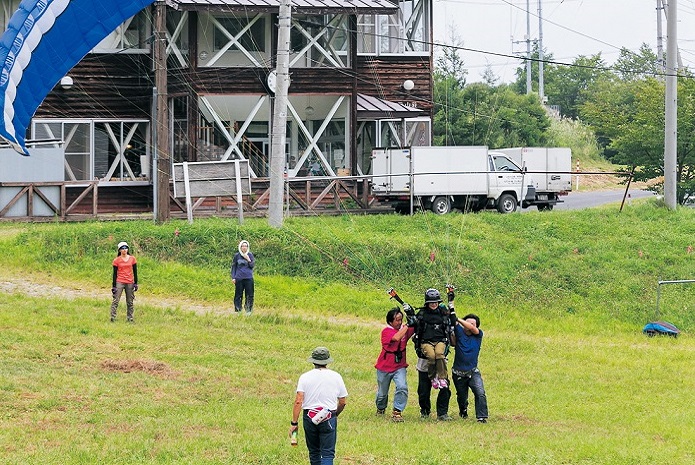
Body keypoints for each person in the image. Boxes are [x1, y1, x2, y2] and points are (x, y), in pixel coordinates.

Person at [291, 347, 348, 465]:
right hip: (328, 417)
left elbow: (298, 401)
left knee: (314, 452)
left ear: (313, 361)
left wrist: (294, 424)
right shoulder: (336, 376)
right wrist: (335, 414)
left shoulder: (305, 377)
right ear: (327, 361)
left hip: (309, 417)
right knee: (327, 453)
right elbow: (343, 402)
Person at [374, 307, 415, 422]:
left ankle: (397, 411)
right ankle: (380, 408)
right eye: (397, 320)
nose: (400, 322)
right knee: (382, 393)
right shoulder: (386, 331)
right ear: (390, 321)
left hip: (399, 366)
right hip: (384, 367)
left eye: (401, 319)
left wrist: (412, 316)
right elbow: (397, 337)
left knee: (402, 387)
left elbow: (415, 326)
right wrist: (407, 325)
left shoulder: (403, 329)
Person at [412, 288, 454, 390]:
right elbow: (413, 322)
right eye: (431, 303)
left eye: (435, 302)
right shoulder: (422, 314)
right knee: (431, 356)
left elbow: (452, 320)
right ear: (427, 303)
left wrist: (451, 303)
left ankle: (442, 377)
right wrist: (409, 312)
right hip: (426, 341)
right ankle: (433, 377)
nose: (433, 304)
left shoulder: (443, 312)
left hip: (440, 340)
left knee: (439, 354)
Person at [452, 313, 489, 423]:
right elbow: (454, 322)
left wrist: (458, 319)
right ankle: (463, 410)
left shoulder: (478, 335)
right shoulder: (459, 332)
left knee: (480, 392)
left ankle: (481, 417)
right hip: (458, 372)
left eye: (472, 324)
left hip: (473, 371)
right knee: (462, 397)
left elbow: (472, 328)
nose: (469, 325)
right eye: (467, 322)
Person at [415, 356, 452, 421]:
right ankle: (425, 412)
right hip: (424, 366)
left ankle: (442, 413)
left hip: (441, 367)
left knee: (444, 389)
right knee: (423, 391)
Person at [110, 241, 138, 323]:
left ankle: (130, 318)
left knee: (130, 301)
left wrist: (135, 283)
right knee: (116, 300)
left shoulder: (132, 259)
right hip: (120, 281)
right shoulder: (116, 260)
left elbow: (135, 271)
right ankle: (113, 317)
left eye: (126, 248)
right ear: (119, 250)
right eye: (122, 248)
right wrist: (114, 286)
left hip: (129, 281)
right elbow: (114, 274)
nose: (124, 250)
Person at [231, 240, 255, 314]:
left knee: (249, 295)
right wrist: (233, 277)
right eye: (243, 246)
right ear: (240, 247)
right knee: (238, 295)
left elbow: (252, 266)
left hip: (248, 278)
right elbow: (234, 267)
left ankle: (248, 311)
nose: (244, 247)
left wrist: (248, 259)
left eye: (246, 246)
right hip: (239, 278)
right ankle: (238, 310)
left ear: (248, 247)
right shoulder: (237, 255)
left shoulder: (250, 255)